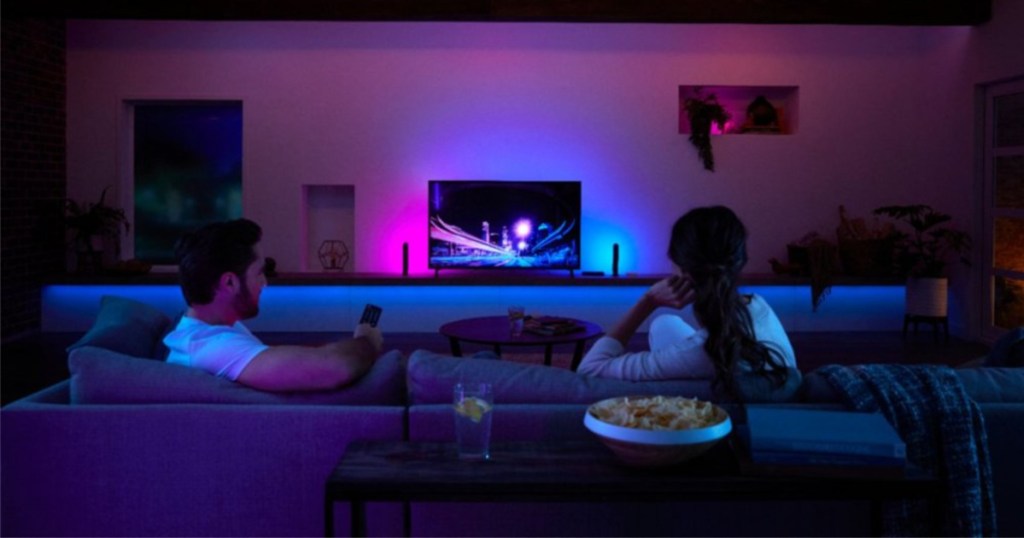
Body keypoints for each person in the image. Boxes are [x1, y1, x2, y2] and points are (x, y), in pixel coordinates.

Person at [576, 206, 795, 397]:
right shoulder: (758, 305)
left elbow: (590, 369)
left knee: (663, 325)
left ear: (682, 270)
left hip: (706, 377)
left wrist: (648, 301)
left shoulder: (699, 354)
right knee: (664, 323)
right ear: (740, 261)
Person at [163, 218, 383, 391]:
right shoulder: (211, 348)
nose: (265, 283)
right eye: (259, 273)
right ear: (229, 282)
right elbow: (334, 367)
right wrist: (367, 340)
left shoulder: (215, 330)